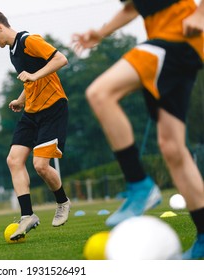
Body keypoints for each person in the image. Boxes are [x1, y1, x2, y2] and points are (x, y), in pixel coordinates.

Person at [72, 0, 204, 259]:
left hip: (178, 36)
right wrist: (101, 33)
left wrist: (201, 13)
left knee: (100, 92)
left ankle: (139, 184)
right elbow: (134, 7)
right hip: (173, 43)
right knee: (172, 148)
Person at [0, 10, 71, 241]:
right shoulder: (12, 51)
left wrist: (33, 76)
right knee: (13, 160)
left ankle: (62, 202)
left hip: (53, 109)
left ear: (0, 27)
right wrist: (21, 99)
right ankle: (27, 215)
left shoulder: (29, 40)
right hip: (31, 111)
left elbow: (61, 59)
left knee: (40, 165)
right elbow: (31, 80)